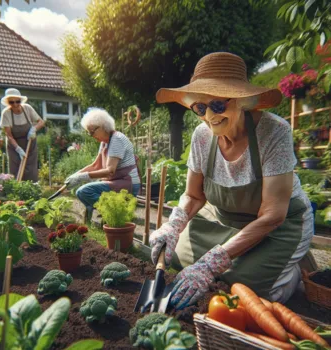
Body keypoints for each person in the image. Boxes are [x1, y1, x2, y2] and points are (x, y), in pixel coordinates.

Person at [150, 52, 315, 310]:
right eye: (200, 108)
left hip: (276, 226)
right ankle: (241, 261)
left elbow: (272, 215)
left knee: (247, 291)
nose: (209, 116)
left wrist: (212, 262)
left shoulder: (274, 132)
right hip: (226, 221)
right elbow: (194, 196)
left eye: (217, 105)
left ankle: (292, 271)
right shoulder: (201, 137)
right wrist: (174, 225)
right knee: (178, 257)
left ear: (242, 99)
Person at [65, 108, 141, 221]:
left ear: (103, 125)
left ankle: (118, 213)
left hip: (128, 183)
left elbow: (110, 170)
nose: (91, 135)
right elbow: (96, 165)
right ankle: (105, 212)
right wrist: (74, 176)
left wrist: (81, 177)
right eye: (88, 132)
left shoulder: (117, 139)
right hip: (118, 180)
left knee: (84, 191)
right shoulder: (105, 142)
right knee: (82, 192)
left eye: (92, 131)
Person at [0, 88, 45, 181]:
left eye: (17, 101)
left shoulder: (27, 108)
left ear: (20, 100)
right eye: (12, 102)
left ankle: (32, 190)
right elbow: (9, 135)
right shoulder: (6, 113)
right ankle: (15, 190)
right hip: (14, 145)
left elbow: (41, 122)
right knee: (15, 168)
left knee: (30, 169)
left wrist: (33, 129)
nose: (15, 104)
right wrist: (18, 149)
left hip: (29, 143)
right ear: (8, 103)